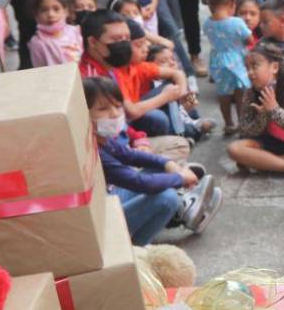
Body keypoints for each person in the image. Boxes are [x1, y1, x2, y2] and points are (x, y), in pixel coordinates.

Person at [85, 76, 219, 243]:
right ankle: (137, 247)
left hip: (111, 197)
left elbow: (130, 155)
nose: (114, 113)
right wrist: (179, 178)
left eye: (118, 106)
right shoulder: (93, 149)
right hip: (103, 221)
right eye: (103, 109)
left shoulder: (99, 137)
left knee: (163, 168)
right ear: (83, 113)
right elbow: (139, 183)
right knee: (167, 198)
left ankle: (184, 204)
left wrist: (167, 164)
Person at [79, 10, 188, 137]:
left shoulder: (111, 63)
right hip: (113, 137)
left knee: (170, 89)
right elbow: (125, 116)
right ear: (93, 42)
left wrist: (182, 95)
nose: (124, 44)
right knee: (158, 119)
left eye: (126, 38)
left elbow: (176, 73)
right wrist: (138, 140)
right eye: (116, 39)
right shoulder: (90, 77)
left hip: (126, 130)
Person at [227, 44, 284, 175]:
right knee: (234, 149)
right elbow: (244, 131)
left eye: (255, 66)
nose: (250, 73)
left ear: (274, 67)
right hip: (269, 143)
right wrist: (263, 116)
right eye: (247, 68)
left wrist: (275, 110)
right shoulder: (250, 93)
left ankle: (265, 162)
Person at [202, 0, 252, 134]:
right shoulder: (237, 22)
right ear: (232, 3)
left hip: (218, 61)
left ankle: (229, 123)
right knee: (241, 93)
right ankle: (242, 123)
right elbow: (249, 39)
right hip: (237, 60)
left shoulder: (207, 23)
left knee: (223, 94)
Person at [26, 0, 82, 67]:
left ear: (66, 11)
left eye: (56, 9)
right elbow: (39, 69)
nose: (51, 15)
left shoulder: (76, 32)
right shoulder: (37, 42)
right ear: (36, 15)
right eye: (44, 10)